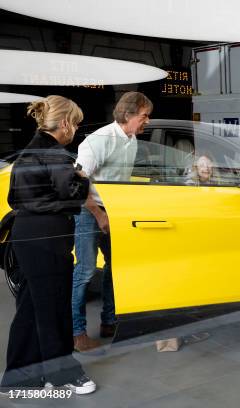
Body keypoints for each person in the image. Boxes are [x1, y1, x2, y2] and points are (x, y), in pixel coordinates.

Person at [1, 96, 96, 394]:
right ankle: (63, 374)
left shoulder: (29, 151)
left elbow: (13, 199)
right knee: (53, 308)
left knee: (31, 307)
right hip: (48, 239)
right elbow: (72, 195)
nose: (76, 129)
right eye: (76, 123)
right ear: (66, 123)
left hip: (27, 236)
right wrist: (82, 177)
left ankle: (18, 377)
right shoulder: (55, 154)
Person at [72, 92, 153, 352]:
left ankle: (109, 321)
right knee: (84, 272)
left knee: (115, 267)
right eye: (144, 116)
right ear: (128, 115)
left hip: (113, 210)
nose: (147, 122)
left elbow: (120, 183)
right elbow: (78, 183)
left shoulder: (132, 140)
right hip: (89, 210)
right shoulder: (98, 141)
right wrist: (100, 215)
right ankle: (77, 333)